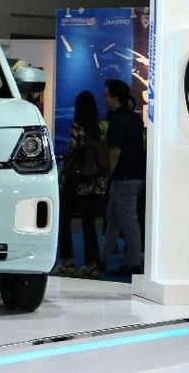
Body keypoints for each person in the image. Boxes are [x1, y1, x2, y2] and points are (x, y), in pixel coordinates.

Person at [53, 91, 107, 278]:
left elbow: (72, 149)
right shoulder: (98, 128)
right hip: (94, 182)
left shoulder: (77, 126)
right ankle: (92, 266)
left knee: (64, 219)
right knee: (89, 225)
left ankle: (67, 262)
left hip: (77, 181)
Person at [100, 79, 146, 275]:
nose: (104, 99)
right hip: (135, 175)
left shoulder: (117, 121)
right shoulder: (134, 118)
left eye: (106, 95)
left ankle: (135, 263)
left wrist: (106, 176)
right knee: (114, 217)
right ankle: (103, 257)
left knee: (127, 220)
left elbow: (115, 152)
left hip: (124, 177)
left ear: (115, 97)